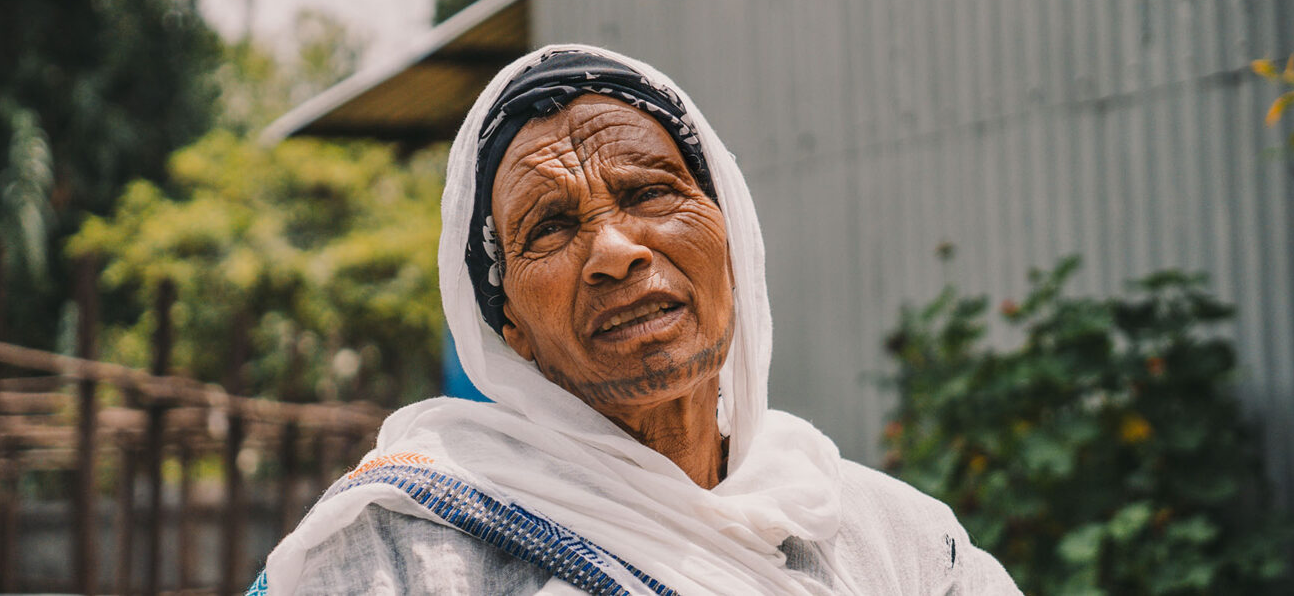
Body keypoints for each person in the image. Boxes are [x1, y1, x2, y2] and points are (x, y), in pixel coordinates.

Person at [253, 45, 1021, 595]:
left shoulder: (894, 539)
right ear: (509, 324)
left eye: (651, 192)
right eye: (549, 228)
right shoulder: (400, 555)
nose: (614, 251)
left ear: (733, 241)